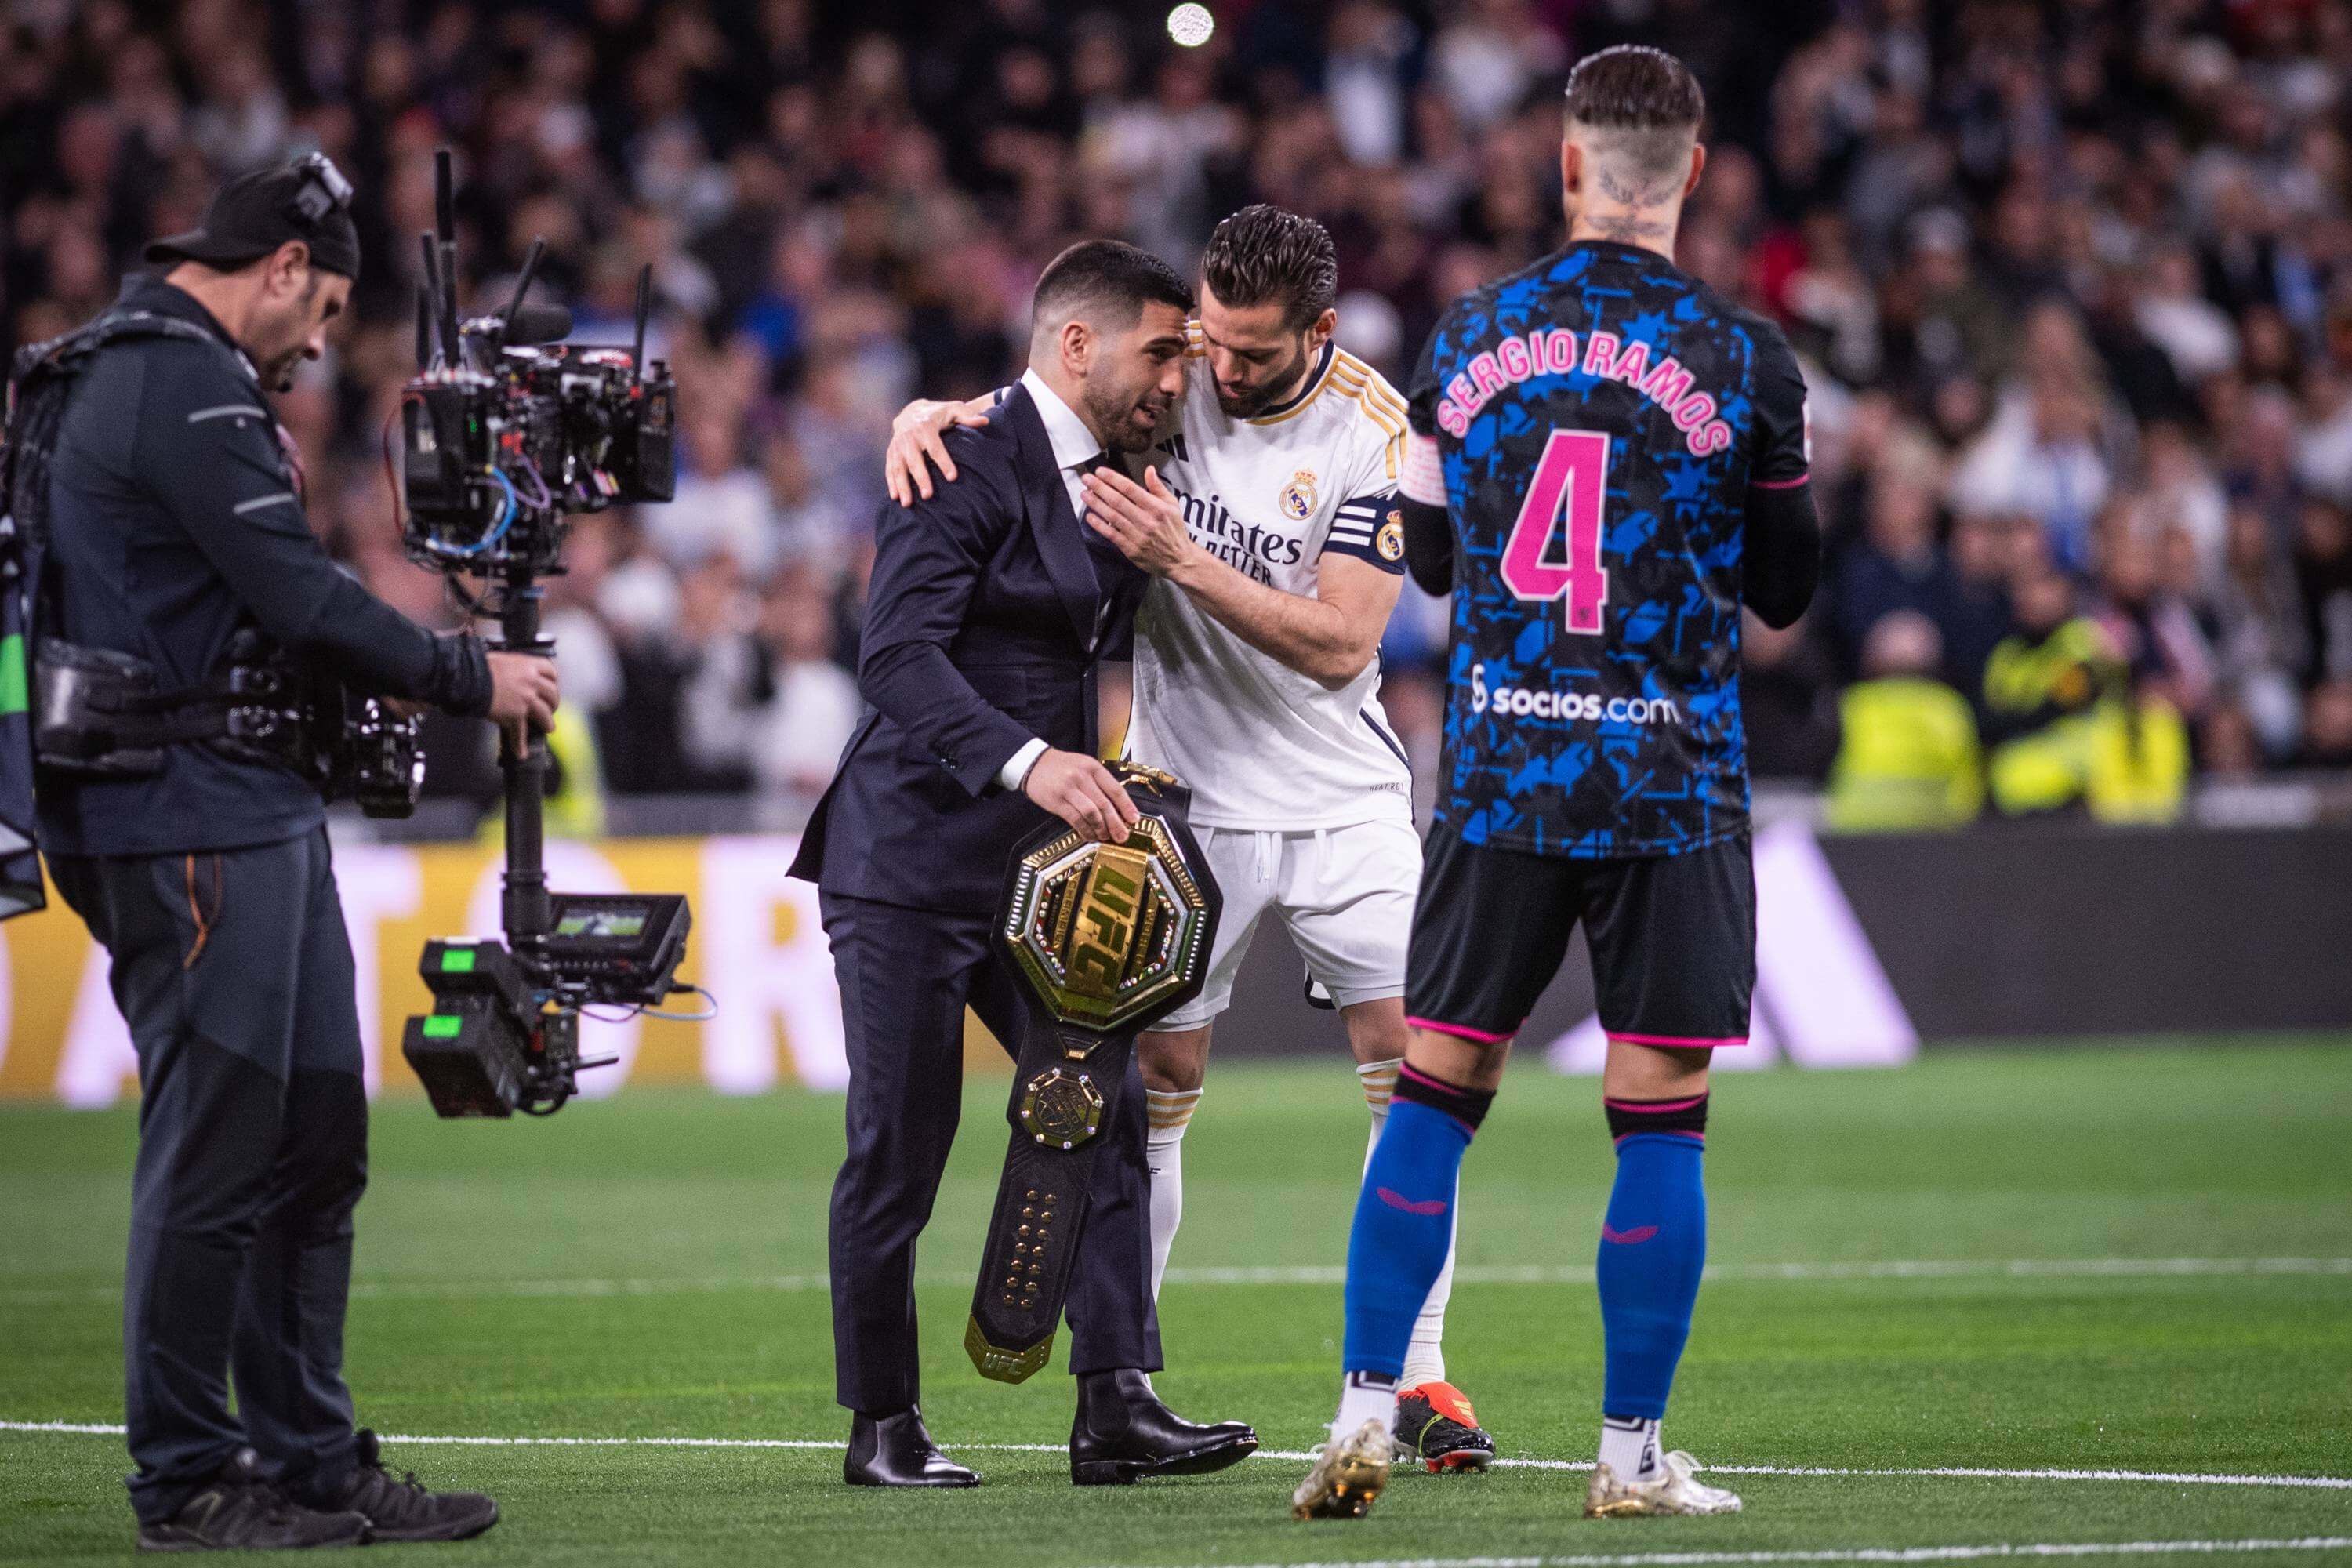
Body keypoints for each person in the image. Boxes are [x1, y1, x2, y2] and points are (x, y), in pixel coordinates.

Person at [1290, 45, 1820, 1523]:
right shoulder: (1743, 356)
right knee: (1660, 1113)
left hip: (1506, 771)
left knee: (1436, 1092)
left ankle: (1362, 1410)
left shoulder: (1465, 341)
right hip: (1669, 786)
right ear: (1694, 174)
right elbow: (1786, 590)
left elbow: (1445, 568)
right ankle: (1630, 1456)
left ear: (1570, 165)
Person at [885, 205, 1497, 1472]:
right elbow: (1051, 390)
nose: (1215, 373)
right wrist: (926, 415)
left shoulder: (1374, 433)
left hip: (1340, 795)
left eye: (1250, 354)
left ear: (1318, 334)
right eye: (1204, 343)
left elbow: (1342, 646)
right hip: (1180, 796)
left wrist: (1182, 558)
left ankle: (1419, 1374)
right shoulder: (1177, 380)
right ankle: (1118, 1391)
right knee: (1150, 1090)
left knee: (1416, 1062)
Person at [16, 158, 553, 1551]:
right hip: (178, 807)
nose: (316, 341)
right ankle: (189, 1479)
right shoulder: (171, 376)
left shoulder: (149, 373)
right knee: (219, 1148)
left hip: (244, 800)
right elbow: (294, 594)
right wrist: (462, 672)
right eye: (316, 306)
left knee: (313, 1143)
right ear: (275, 269)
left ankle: (309, 1459)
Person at [786, 240, 1257, 1490]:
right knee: (901, 1143)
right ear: (1078, 345)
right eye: (1165, 352)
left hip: (1033, 874)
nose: (1181, 379)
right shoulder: (961, 458)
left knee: (1097, 1110)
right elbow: (894, 658)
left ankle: (1115, 1405)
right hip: (906, 858)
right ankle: (882, 1425)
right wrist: (1031, 761)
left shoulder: (1116, 466)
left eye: (1191, 356)